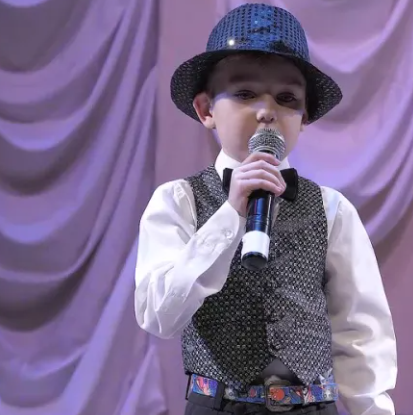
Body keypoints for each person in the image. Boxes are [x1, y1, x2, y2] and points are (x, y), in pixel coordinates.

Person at [134, 3, 397, 415]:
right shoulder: (178, 200)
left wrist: (372, 408)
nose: (267, 111)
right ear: (206, 109)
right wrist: (230, 216)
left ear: (304, 116)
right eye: (244, 93)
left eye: (287, 98)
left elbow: (360, 329)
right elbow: (159, 315)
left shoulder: (332, 210)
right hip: (220, 406)